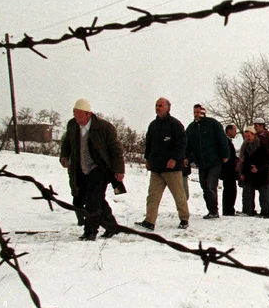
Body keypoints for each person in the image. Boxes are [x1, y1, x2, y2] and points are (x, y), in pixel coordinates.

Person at [59, 98, 125, 241]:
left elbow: (116, 150)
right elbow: (66, 142)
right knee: (94, 199)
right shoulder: (72, 125)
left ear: (88, 114)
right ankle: (111, 226)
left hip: (99, 168)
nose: (77, 119)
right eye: (75, 115)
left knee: (92, 201)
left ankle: (90, 231)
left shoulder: (104, 127)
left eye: (80, 116)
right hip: (80, 169)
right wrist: (64, 155)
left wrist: (119, 169)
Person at [135, 97, 190, 231]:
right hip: (156, 168)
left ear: (168, 108)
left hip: (172, 169)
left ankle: (184, 219)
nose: (158, 108)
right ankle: (149, 221)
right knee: (152, 196)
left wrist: (174, 159)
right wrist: (147, 158)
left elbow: (182, 144)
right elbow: (148, 144)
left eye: (160, 105)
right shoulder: (153, 125)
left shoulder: (176, 125)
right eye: (156, 105)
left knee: (179, 195)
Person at [185, 104, 230, 219]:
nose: (196, 114)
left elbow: (222, 139)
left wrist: (225, 155)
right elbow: (187, 145)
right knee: (204, 186)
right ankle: (210, 209)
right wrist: (187, 158)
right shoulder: (191, 128)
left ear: (203, 112)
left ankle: (214, 210)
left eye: (198, 112)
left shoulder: (213, 124)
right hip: (201, 163)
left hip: (214, 161)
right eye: (194, 112)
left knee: (211, 186)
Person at [240, 126, 269, 218]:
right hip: (249, 173)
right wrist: (243, 172)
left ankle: (265, 212)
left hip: (261, 174)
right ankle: (247, 210)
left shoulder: (262, 146)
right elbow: (245, 161)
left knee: (264, 195)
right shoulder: (246, 146)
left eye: (249, 136)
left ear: (253, 135)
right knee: (247, 193)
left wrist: (258, 167)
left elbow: (267, 159)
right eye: (246, 136)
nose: (247, 138)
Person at [220, 124, 239, 216]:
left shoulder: (227, 141)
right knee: (230, 190)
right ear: (229, 130)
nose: (236, 132)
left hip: (229, 171)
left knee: (230, 190)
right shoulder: (225, 141)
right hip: (228, 171)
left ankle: (228, 209)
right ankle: (228, 210)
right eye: (234, 130)